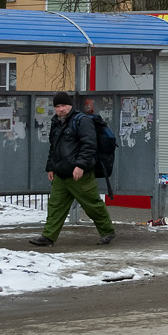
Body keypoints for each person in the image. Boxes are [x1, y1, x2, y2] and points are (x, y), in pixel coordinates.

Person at [28, 92, 115, 247]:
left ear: (70, 106)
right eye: (57, 106)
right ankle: (48, 236)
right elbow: (53, 147)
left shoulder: (83, 121)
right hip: (61, 174)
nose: (60, 109)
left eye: (63, 106)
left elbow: (89, 145)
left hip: (80, 175)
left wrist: (80, 166)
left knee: (92, 205)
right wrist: (51, 168)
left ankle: (107, 231)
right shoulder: (56, 122)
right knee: (55, 206)